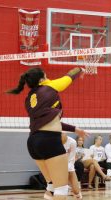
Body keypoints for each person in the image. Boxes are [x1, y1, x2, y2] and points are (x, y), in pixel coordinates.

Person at [6, 67, 89, 200]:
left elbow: (47, 122)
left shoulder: (29, 98)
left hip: (33, 142)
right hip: (49, 141)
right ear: (42, 79)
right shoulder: (49, 85)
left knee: (51, 185)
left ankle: (50, 191)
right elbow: (69, 76)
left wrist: (75, 129)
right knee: (61, 189)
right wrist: (80, 68)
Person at [61, 133, 82, 199]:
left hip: (69, 164)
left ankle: (72, 188)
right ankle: (64, 187)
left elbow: (71, 159)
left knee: (76, 191)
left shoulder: (72, 142)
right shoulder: (55, 141)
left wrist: (68, 168)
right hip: (58, 164)